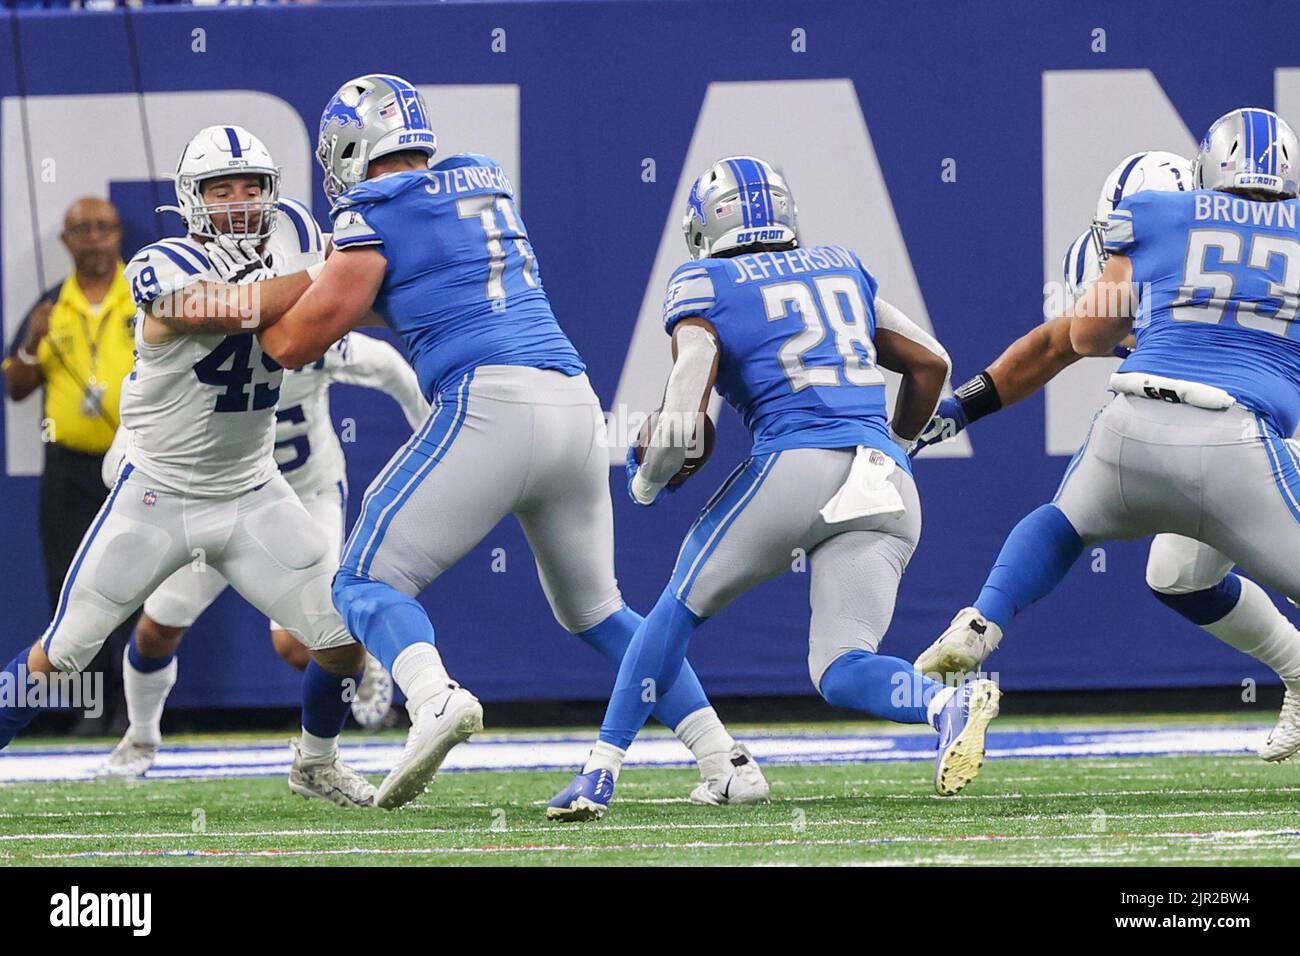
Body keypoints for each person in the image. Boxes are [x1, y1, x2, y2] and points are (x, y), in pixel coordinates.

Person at [243, 74, 763, 810]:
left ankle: (432, 698)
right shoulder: (483, 181)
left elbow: (294, 343)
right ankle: (726, 760)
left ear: (356, 148)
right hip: (572, 404)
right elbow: (429, 287)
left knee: (360, 582)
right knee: (599, 612)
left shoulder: (373, 211)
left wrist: (256, 299)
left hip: (489, 403)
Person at [548, 157, 1000, 821]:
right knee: (841, 666)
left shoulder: (704, 282)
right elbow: (931, 363)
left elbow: (680, 420)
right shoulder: (838, 264)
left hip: (795, 463)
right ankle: (942, 703)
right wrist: (895, 444)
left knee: (675, 611)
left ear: (707, 225)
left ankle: (599, 772)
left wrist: (645, 480)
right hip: (886, 481)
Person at [0, 125, 374, 808]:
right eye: (219, 188)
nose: (238, 201)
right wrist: (331, 271)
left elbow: (358, 303)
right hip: (160, 493)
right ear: (190, 198)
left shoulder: (294, 232)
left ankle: (315, 762)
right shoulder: (161, 263)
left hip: (255, 488)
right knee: (65, 653)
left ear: (273, 191)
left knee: (342, 639)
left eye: (251, 185)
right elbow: (226, 309)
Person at [912, 110, 1300, 767]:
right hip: (1241, 439)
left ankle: (980, 623)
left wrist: (959, 409)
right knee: (1186, 566)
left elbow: (1081, 338)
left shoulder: (1155, 215)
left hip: (1132, 423)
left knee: (1071, 527)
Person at [98, 326, 428, 777]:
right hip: (212, 499)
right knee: (157, 629)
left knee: (298, 646)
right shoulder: (188, 352)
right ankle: (140, 737)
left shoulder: (310, 338)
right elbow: (127, 444)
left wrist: (426, 433)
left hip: (301, 495)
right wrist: (138, 480)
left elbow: (387, 364)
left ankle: (335, 720)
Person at [3, 197, 137, 733]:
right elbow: (15, 386)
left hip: (135, 463)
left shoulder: (147, 292)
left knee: (135, 582)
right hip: (68, 470)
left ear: (118, 233)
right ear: (66, 240)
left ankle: (132, 707)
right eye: (82, 229)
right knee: (70, 587)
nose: (95, 238)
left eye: (104, 227)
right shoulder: (49, 306)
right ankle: (93, 705)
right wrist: (33, 343)